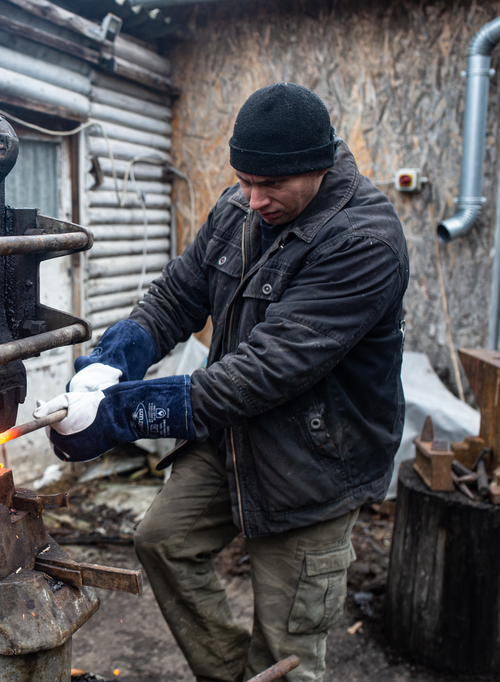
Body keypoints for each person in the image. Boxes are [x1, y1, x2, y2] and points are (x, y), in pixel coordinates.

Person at [34, 83, 408, 682]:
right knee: (163, 541)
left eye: (270, 187)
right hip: (234, 434)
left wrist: (121, 415)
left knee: (286, 640)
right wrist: (113, 360)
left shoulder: (364, 242)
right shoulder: (239, 210)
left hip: (314, 461)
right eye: (243, 180)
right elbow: (178, 294)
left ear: (318, 167)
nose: (253, 199)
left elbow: (265, 371)